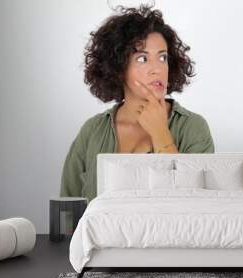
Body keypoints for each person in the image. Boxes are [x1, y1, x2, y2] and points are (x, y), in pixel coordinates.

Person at [60, 4, 214, 232]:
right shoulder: (92, 131)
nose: (157, 69)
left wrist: (161, 134)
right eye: (142, 59)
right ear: (118, 67)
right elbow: (68, 213)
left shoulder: (193, 127)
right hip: (101, 258)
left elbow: (197, 211)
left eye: (162, 58)